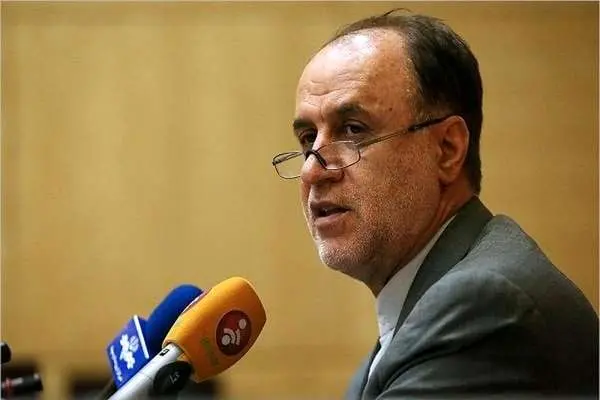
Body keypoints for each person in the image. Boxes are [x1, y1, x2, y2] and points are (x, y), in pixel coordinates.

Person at [271, 9, 598, 400]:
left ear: (447, 149)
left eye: (354, 130)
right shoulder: (414, 319)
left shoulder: (484, 307)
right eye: (308, 139)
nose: (312, 170)